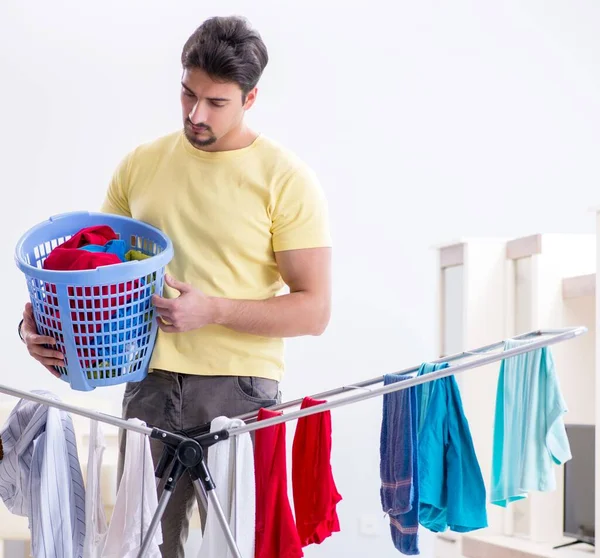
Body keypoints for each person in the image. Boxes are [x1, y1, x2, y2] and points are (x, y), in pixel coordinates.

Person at [18, 14, 332, 558]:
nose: (195, 113)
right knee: (146, 547)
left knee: (245, 547)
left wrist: (212, 311)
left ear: (250, 99)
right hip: (147, 381)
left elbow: (314, 310)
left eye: (216, 102)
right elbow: (90, 274)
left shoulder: (286, 178)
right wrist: (34, 327)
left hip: (240, 389)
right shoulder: (140, 165)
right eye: (188, 94)